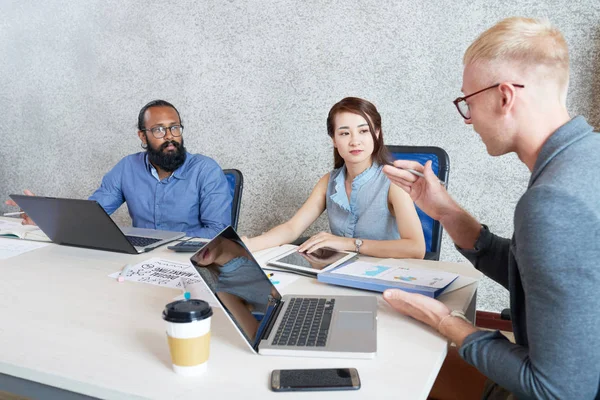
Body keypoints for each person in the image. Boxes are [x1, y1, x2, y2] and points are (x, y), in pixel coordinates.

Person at [382, 17, 600, 399]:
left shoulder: (552, 202)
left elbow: (559, 390)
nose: (468, 120)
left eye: (468, 102)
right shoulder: (587, 156)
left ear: (504, 97)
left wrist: (446, 322)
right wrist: (447, 211)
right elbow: (534, 276)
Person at [6, 100, 232, 238]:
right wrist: (44, 217)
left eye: (175, 128)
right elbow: (92, 213)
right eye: (159, 130)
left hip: (189, 261)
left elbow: (218, 232)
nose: (170, 137)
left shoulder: (205, 170)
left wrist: (167, 240)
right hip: (139, 259)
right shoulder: (127, 168)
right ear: (142, 135)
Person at [244, 97, 425, 259]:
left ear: (376, 133)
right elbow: (292, 228)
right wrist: (247, 245)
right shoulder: (329, 181)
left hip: (386, 276)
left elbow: (416, 248)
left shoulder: (393, 182)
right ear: (334, 140)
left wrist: (349, 244)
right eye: (344, 133)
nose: (355, 141)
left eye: (363, 131)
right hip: (340, 272)